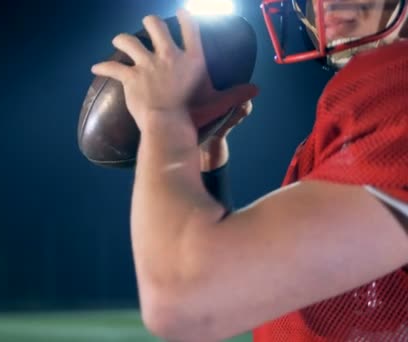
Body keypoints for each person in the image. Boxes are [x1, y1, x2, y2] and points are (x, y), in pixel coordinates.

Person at [90, 0, 408, 340]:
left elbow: (187, 303)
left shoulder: (396, 97)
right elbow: (232, 300)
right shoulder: (367, 111)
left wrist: (162, 118)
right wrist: (201, 155)